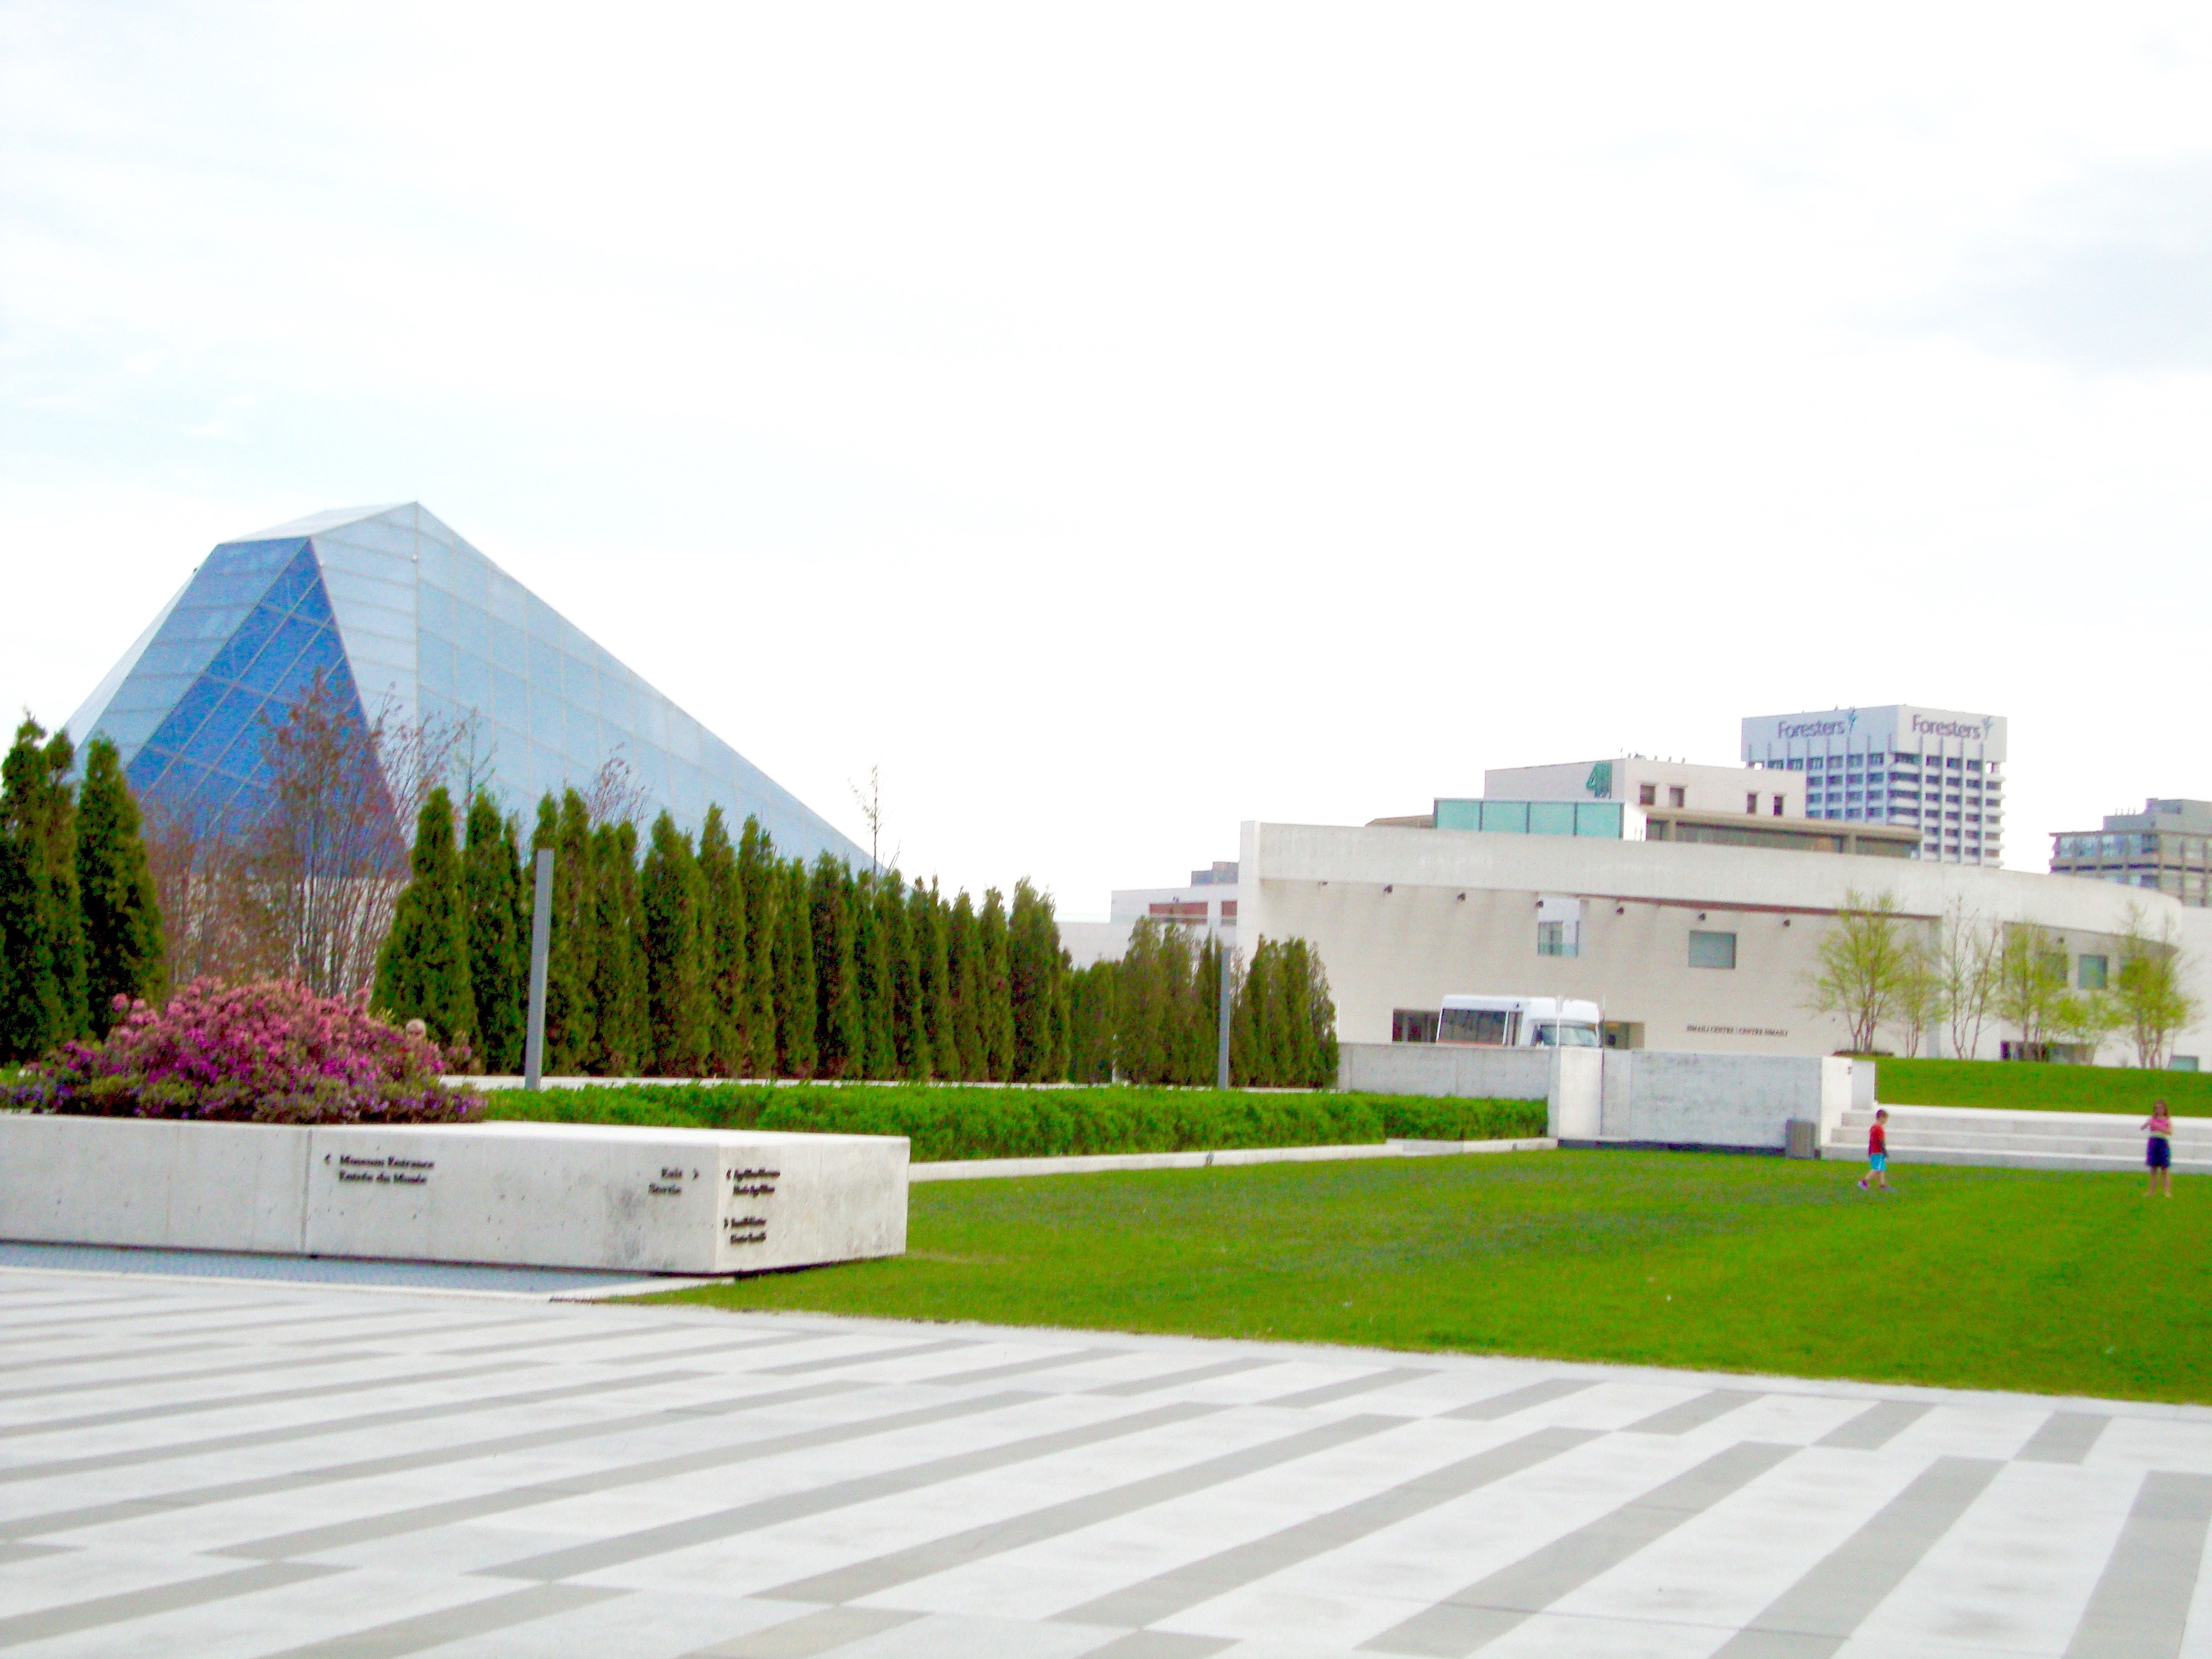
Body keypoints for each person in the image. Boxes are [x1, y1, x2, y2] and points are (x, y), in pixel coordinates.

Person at [2144, 1099, 2174, 1198]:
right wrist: (2148, 1123)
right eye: (2157, 1108)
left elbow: (2169, 1132)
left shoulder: (2167, 1120)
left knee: (2165, 1169)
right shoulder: (2152, 1119)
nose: (2159, 1110)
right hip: (2153, 1142)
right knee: (2153, 1169)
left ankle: (2167, 1192)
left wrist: (2157, 1126)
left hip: (2163, 1143)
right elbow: (2143, 1127)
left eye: (2161, 1108)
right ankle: (2151, 1192)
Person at [1856, 1107, 1890, 1192]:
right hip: (1878, 1151)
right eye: (1885, 1118)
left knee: (1881, 1168)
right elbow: (1881, 1141)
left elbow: (1871, 1141)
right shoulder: (1879, 1129)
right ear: (1882, 1118)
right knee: (1876, 1168)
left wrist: (1869, 1151)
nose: (1886, 1121)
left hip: (1873, 1151)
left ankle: (1882, 1184)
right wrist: (1884, 1151)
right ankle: (1864, 1182)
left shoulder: (1873, 1128)